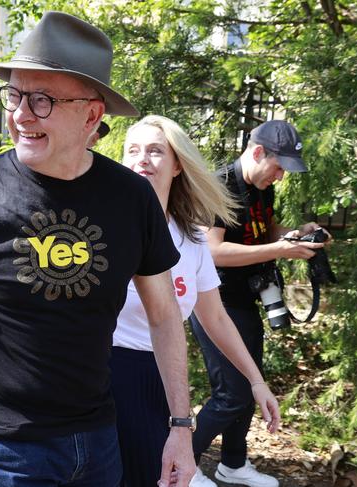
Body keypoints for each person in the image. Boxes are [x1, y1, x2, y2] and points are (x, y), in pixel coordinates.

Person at [0, 11, 195, 487]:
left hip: (99, 437)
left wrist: (180, 425)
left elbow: (163, 315)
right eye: (13, 95)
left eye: (43, 99)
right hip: (5, 447)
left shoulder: (131, 199)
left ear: (92, 115)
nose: (20, 114)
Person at [111, 115, 281, 487]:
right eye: (133, 151)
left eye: (156, 151)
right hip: (107, 374)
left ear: (177, 166)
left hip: (163, 380)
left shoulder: (192, 238)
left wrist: (257, 381)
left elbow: (215, 317)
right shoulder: (104, 228)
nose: (142, 159)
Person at [191, 120, 329, 487]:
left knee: (252, 388)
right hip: (213, 302)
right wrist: (279, 250)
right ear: (257, 153)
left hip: (243, 299)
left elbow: (262, 231)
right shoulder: (220, 186)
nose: (281, 177)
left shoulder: (260, 188)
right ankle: (180, 466)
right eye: (279, 166)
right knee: (231, 394)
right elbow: (213, 251)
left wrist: (295, 235)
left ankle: (232, 465)